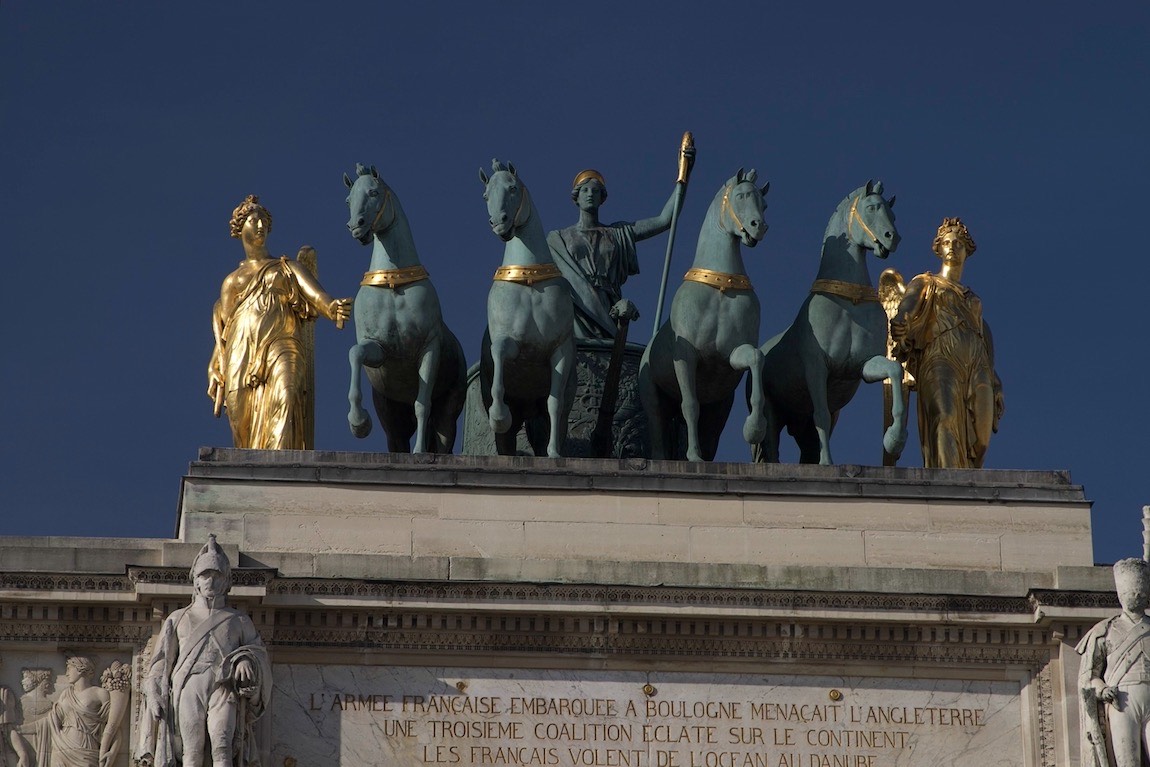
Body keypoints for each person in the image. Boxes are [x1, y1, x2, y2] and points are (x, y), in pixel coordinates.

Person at [208, 195, 352, 449]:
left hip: (282, 342)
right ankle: (248, 469)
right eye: (254, 221)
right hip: (242, 351)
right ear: (240, 229)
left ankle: (279, 467)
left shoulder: (287, 267)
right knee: (239, 415)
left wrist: (332, 307)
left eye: (264, 221)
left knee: (286, 393)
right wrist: (215, 365)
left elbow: (317, 295)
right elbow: (225, 331)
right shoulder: (232, 282)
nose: (261, 226)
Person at [138, 536, 270, 767]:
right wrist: (153, 689)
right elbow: (161, 662)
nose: (210, 580)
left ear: (226, 581)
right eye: (205, 575)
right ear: (196, 582)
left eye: (217, 575)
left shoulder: (239, 619)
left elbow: (257, 651)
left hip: (224, 685)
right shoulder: (178, 618)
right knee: (192, 749)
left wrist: (246, 660)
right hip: (189, 683)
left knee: (222, 745)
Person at [889, 217, 1003, 468]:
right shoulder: (926, 282)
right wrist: (902, 321)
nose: (952, 246)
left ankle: (967, 482)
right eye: (947, 242)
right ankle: (949, 486)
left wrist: (994, 377)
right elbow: (906, 306)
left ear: (967, 250)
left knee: (981, 440)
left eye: (958, 243)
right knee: (945, 418)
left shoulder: (973, 298)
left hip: (977, 364)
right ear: (939, 249)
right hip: (940, 357)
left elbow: (983, 334)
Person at [546, 150, 691, 340]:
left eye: (596, 191)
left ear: (602, 198)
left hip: (610, 306)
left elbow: (665, 220)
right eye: (585, 190)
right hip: (576, 309)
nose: (590, 194)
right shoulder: (559, 238)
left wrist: (684, 175)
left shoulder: (619, 233)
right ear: (576, 197)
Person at [1079, 558, 1150, 767]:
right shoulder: (1104, 631)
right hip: (1121, 700)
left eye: (1140, 592)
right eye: (1131, 592)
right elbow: (1089, 676)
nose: (1136, 596)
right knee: (1127, 761)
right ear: (1121, 595)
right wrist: (1101, 690)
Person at [16, 657, 119, 767]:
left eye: (69, 669)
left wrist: (113, 751)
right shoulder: (65, 694)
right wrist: (21, 729)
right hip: (60, 749)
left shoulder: (100, 693)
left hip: (85, 751)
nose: (66, 673)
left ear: (80, 669)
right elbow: (49, 721)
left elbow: (114, 726)